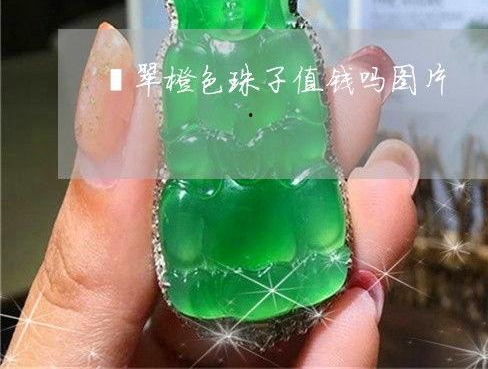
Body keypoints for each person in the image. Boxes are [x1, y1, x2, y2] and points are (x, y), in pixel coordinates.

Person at [5, 23, 419, 367]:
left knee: (311, 183)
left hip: (280, 194)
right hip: (216, 199)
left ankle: (315, 262)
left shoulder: (290, 48)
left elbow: (310, 135)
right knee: (184, 200)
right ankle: (198, 281)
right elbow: (182, 146)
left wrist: (268, 143)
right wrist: (223, 149)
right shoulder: (184, 60)